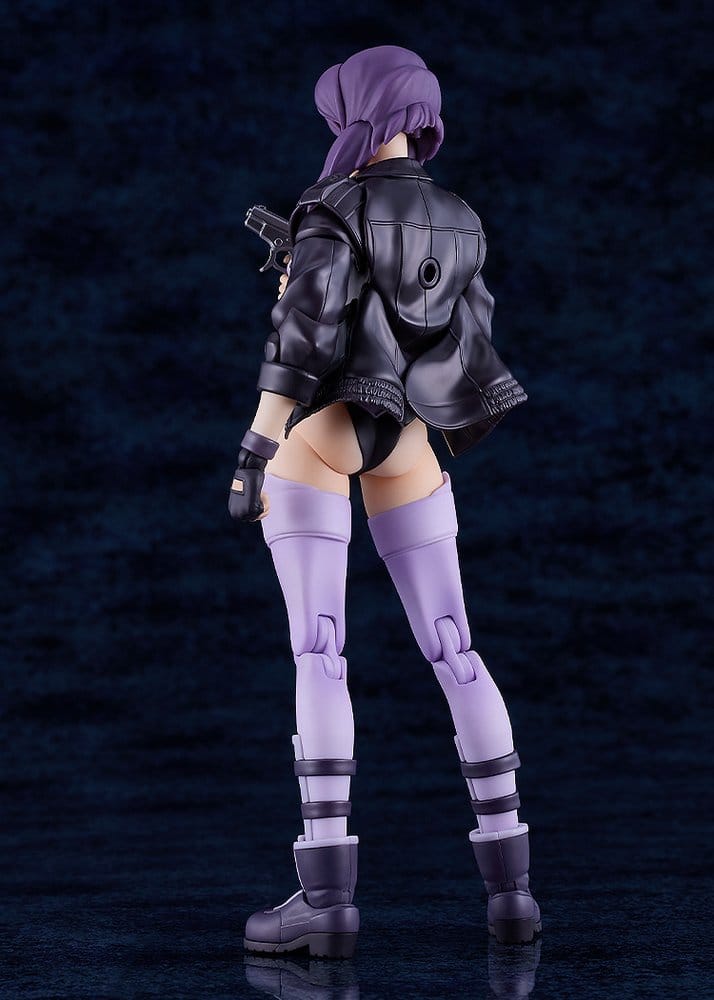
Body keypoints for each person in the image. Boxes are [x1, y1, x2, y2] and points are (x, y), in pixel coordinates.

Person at [229, 45, 541, 957]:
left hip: (324, 431)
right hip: (409, 438)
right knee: (456, 648)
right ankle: (513, 893)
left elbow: (302, 336)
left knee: (320, 648)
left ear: (358, 113)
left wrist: (255, 448)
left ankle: (325, 901)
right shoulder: (462, 219)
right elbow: (461, 344)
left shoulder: (332, 208)